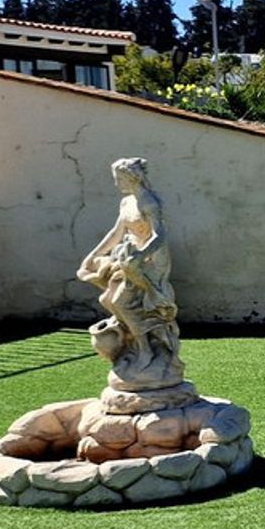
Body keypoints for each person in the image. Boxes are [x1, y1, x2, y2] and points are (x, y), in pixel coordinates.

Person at [75, 157, 183, 390]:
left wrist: (141, 255)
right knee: (108, 299)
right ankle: (135, 343)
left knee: (120, 301)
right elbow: (116, 233)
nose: (116, 183)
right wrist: (92, 256)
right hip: (130, 257)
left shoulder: (149, 202)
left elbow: (159, 236)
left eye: (119, 178)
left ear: (131, 177)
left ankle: (146, 349)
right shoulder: (126, 202)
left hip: (151, 260)